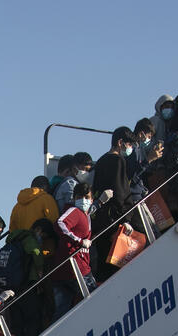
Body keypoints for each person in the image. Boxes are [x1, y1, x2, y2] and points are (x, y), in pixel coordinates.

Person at [90, 127, 138, 282]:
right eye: (129, 144)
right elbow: (120, 191)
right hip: (114, 220)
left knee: (104, 266)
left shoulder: (101, 160)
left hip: (101, 220)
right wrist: (125, 217)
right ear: (120, 142)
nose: (130, 148)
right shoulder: (118, 161)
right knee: (118, 267)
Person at [51, 183, 96, 320]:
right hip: (77, 267)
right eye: (79, 196)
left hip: (63, 270)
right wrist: (79, 240)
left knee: (62, 313)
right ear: (74, 198)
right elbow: (60, 223)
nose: (83, 200)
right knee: (95, 299)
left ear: (92, 199)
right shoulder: (75, 211)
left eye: (86, 197)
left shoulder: (84, 214)